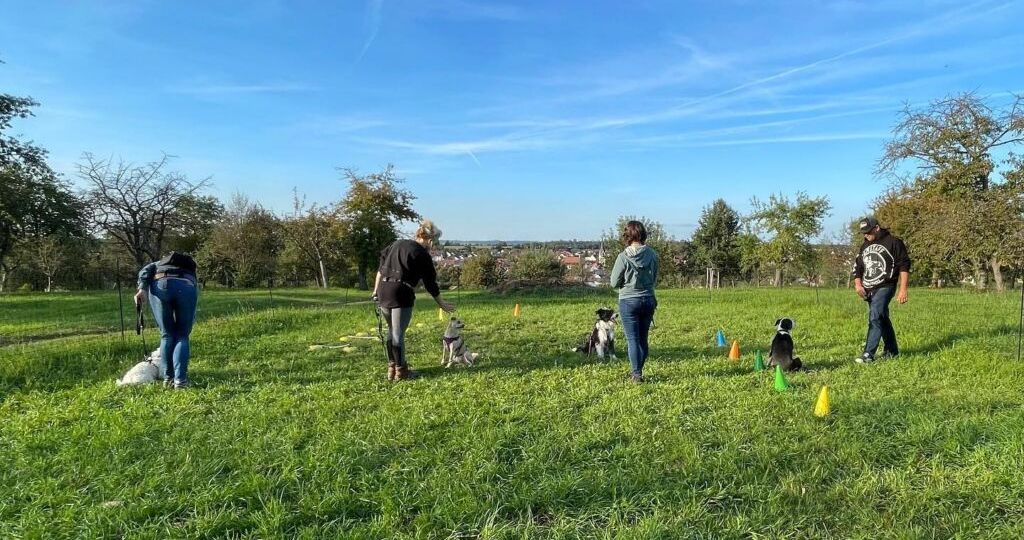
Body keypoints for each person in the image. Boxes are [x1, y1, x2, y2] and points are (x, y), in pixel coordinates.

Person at [372, 219, 455, 381]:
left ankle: (392, 368)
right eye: (435, 242)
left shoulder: (396, 244)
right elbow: (431, 284)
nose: (434, 246)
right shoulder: (421, 253)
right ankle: (401, 371)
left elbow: (381, 270)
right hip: (401, 292)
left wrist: (375, 291)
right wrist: (442, 304)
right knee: (398, 333)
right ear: (430, 240)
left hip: (383, 289)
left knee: (391, 331)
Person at [134, 251, 199, 388]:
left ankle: (168, 379)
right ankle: (181, 381)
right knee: (182, 335)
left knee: (167, 335)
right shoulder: (189, 268)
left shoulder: (159, 264)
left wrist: (142, 290)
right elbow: (194, 285)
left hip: (161, 284)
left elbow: (145, 271)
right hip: (187, 285)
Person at [853, 216, 910, 364]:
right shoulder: (864, 246)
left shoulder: (894, 243)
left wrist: (903, 289)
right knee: (882, 318)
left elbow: (904, 266)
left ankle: (868, 354)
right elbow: (858, 268)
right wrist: (858, 285)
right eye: (863, 233)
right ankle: (892, 351)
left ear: (877, 228)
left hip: (886, 286)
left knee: (875, 317)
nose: (866, 235)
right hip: (868, 289)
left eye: (868, 232)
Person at [610, 220, 659, 383]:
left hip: (628, 300)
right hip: (648, 299)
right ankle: (638, 370)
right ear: (643, 234)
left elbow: (613, 282)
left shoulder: (623, 257)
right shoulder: (652, 254)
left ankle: (636, 374)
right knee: (643, 338)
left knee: (633, 339)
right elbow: (654, 278)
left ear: (627, 235)